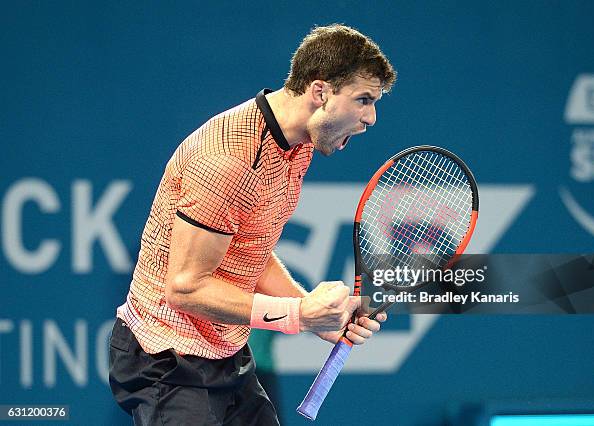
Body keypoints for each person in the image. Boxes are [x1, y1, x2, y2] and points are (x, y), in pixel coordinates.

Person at [109, 23, 396, 425]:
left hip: (225, 352)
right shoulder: (229, 159)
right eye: (363, 99)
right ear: (320, 92)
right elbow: (185, 287)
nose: (371, 118)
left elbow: (250, 251)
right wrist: (300, 314)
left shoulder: (295, 146)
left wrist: (317, 316)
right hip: (167, 359)